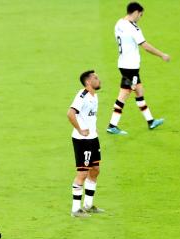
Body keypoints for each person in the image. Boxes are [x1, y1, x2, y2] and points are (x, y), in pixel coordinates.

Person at [106, 1, 170, 135]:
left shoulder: (119, 23)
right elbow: (145, 46)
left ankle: (150, 121)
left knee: (139, 91)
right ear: (136, 12)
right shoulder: (133, 28)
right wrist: (162, 55)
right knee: (124, 94)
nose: (140, 18)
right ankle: (112, 125)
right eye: (140, 15)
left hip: (123, 64)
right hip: (131, 67)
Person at [67, 70, 105, 217]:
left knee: (95, 169)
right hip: (82, 140)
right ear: (88, 82)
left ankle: (88, 205)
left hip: (93, 138)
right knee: (82, 173)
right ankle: (76, 209)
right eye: (96, 78)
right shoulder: (82, 96)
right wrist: (80, 129)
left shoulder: (94, 96)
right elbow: (70, 113)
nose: (99, 79)